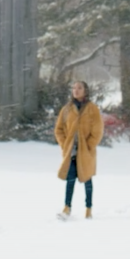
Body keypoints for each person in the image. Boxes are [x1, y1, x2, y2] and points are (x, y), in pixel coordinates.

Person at [54, 80, 103, 220]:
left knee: (87, 178)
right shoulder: (67, 109)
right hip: (71, 151)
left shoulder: (92, 109)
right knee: (70, 178)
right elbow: (59, 129)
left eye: (79, 88)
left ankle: (88, 208)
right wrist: (64, 145)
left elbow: (98, 130)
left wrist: (89, 145)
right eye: (74, 88)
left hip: (86, 151)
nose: (76, 90)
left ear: (85, 91)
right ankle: (67, 207)